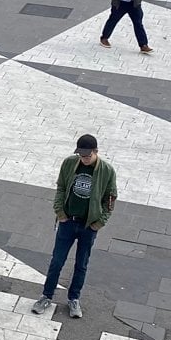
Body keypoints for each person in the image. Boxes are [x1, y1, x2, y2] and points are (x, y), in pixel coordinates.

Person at [31, 134, 118, 319]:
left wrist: (99, 223)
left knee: (81, 264)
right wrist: (60, 212)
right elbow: (61, 187)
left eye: (87, 156)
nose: (84, 159)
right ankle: (46, 296)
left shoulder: (107, 171)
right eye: (81, 155)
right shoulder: (70, 163)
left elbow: (110, 199)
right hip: (68, 222)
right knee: (57, 261)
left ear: (96, 152)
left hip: (88, 225)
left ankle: (74, 298)